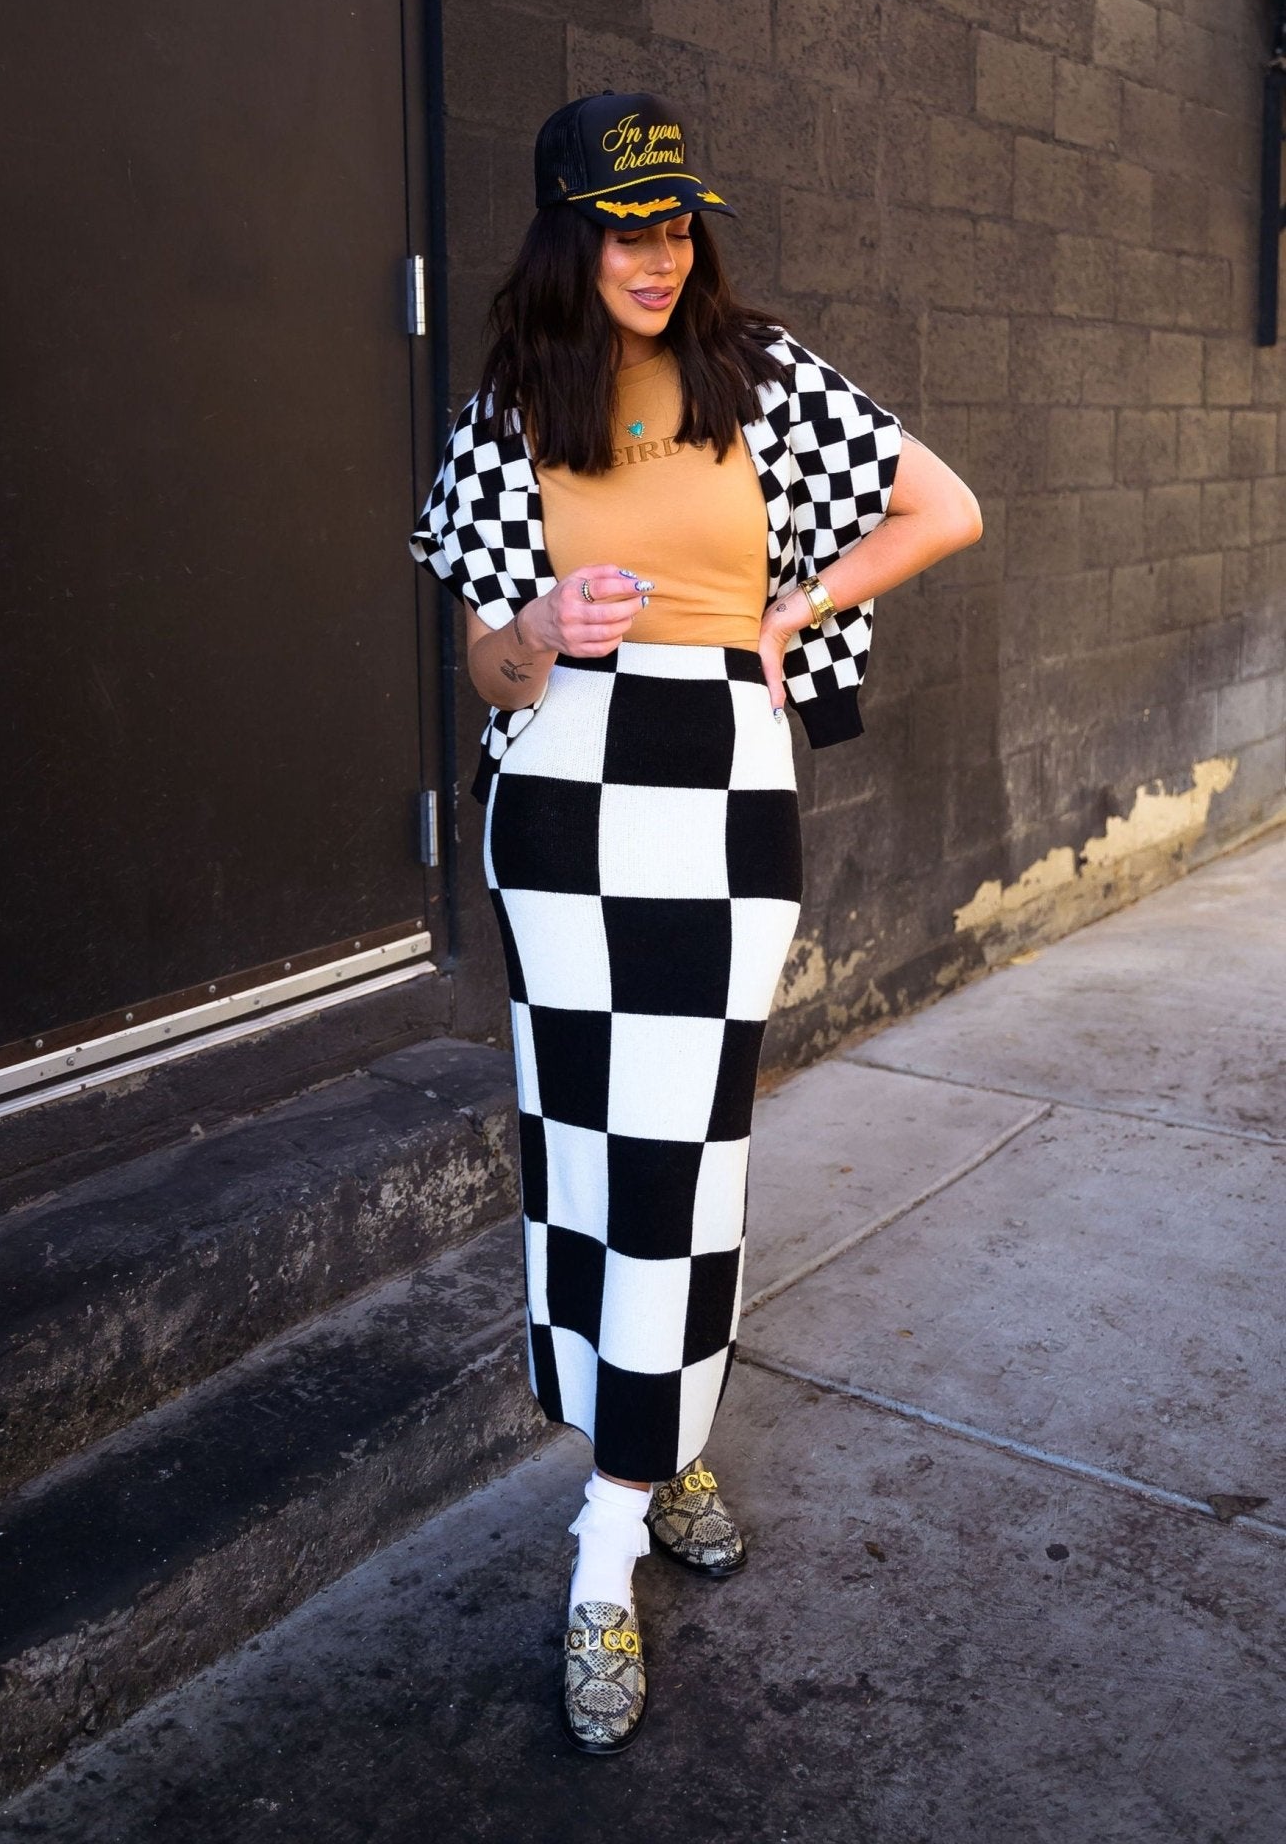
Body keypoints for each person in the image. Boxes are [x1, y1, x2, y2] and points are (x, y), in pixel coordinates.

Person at [408, 89, 983, 1753]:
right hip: (566, 799)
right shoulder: (511, 410)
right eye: (623, 226)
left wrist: (795, 606)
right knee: (586, 1145)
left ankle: (621, 1495)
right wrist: (538, 624)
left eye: (674, 224)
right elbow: (487, 674)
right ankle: (630, 1487)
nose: (657, 257)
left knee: (689, 1151)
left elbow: (940, 510)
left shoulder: (759, 372)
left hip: (725, 794)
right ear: (564, 234)